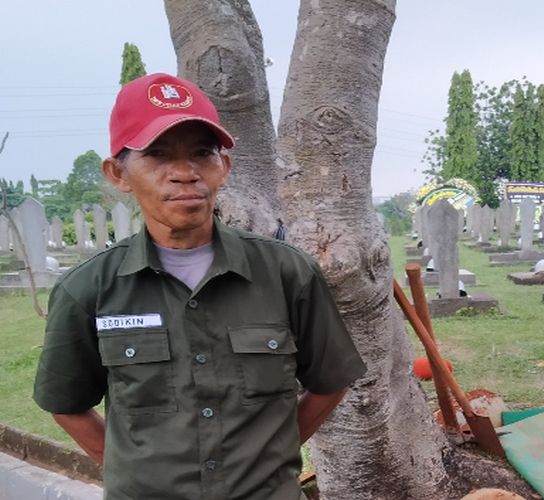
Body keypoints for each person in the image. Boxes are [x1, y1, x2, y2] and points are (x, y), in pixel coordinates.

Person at [33, 73, 366, 500]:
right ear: (118, 173)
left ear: (223, 167)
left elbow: (330, 381)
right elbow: (66, 403)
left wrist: (269, 458)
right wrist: (134, 475)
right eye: (157, 155)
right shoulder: (88, 290)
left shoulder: (287, 273)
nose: (185, 173)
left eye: (202, 153)